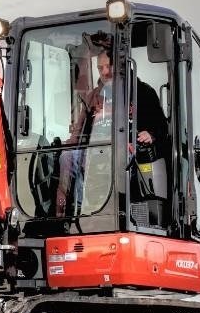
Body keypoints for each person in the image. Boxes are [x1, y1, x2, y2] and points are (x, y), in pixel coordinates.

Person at [54, 48, 168, 217]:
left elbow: (161, 125)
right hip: (94, 150)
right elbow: (79, 132)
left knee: (117, 156)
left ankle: (119, 209)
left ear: (121, 66)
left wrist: (151, 134)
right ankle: (77, 211)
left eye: (109, 66)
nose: (105, 72)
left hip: (127, 149)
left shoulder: (143, 92)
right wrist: (67, 146)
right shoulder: (93, 97)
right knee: (67, 157)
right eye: (100, 68)